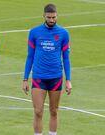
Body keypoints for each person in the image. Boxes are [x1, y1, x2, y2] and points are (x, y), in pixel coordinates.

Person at [22, 4, 72, 135]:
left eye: (54, 17)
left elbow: (66, 58)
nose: (51, 20)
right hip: (39, 77)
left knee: (54, 111)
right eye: (49, 17)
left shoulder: (63, 33)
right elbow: (30, 56)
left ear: (57, 16)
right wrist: (25, 78)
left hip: (56, 77)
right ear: (43, 16)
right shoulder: (34, 32)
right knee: (38, 111)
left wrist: (68, 80)